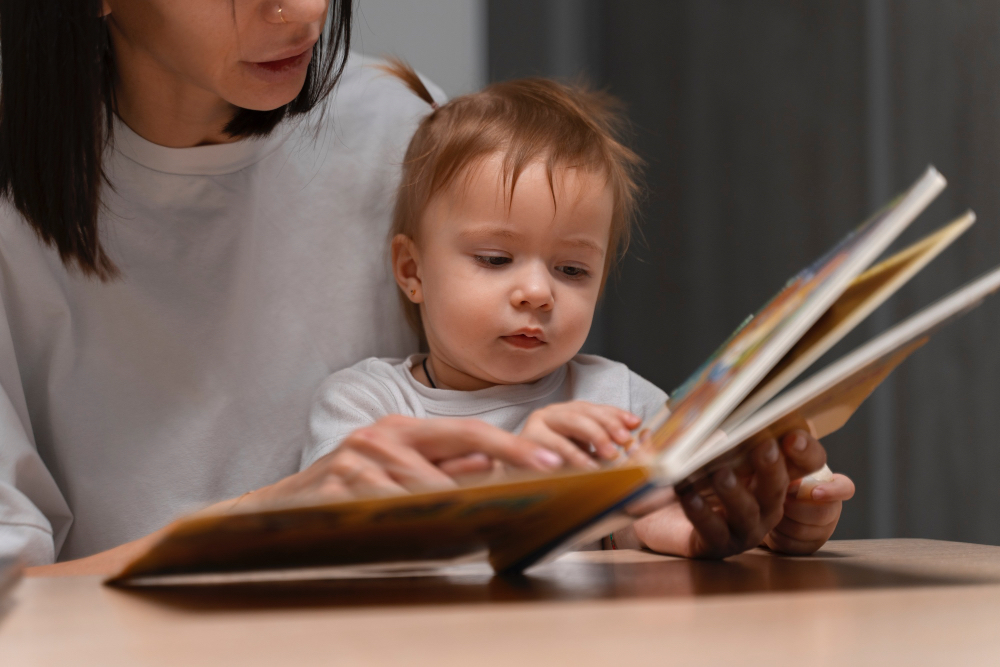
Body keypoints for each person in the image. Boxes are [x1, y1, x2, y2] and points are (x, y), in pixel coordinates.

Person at [0, 0, 845, 575]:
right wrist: (279, 515)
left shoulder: (401, 130)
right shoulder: (18, 210)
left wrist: (729, 508)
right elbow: (18, 599)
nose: (300, 10)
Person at [303, 61, 855, 557]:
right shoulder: (368, 405)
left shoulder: (622, 401)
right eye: (496, 258)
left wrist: (761, 513)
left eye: (572, 270)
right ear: (412, 271)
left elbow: (650, 519)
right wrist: (518, 469)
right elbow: (341, 542)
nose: (538, 293)